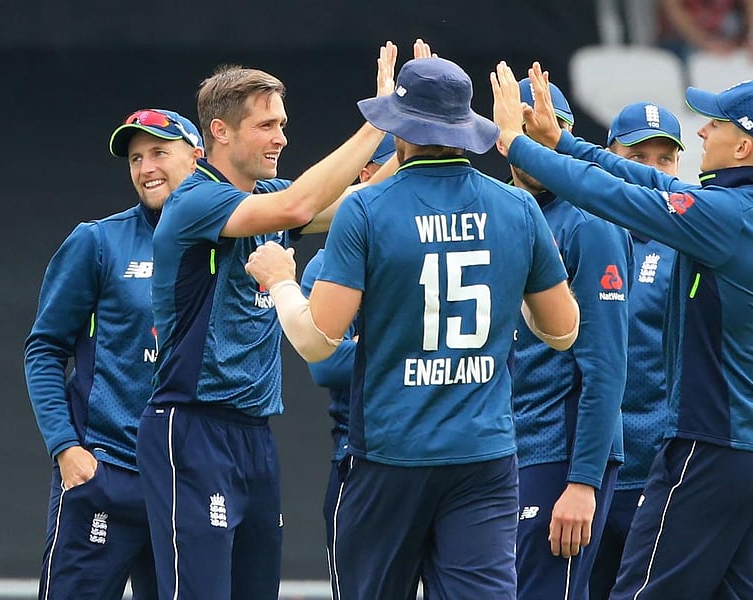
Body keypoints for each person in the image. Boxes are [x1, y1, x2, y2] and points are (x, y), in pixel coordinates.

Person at [245, 55, 581, 599]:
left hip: (390, 455)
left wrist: (281, 279)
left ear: (398, 126)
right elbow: (563, 332)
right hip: (486, 456)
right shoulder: (519, 207)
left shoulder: (368, 209)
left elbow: (316, 341)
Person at [492, 64, 753, 599]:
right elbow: (657, 184)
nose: (703, 131)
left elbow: (609, 195)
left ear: (743, 148)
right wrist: (563, 143)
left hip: (714, 450)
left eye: (717, 124)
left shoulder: (722, 217)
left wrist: (514, 144)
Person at [134, 43, 400, 600]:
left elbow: (364, 198)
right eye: (267, 125)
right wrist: (375, 124)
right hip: (192, 428)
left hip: (254, 433)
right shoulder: (195, 200)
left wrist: (418, 122)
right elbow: (301, 208)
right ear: (221, 132)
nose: (282, 136)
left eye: (282, 123)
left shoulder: (270, 193)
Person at [24, 109, 204, 599]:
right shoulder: (98, 241)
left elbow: (307, 207)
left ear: (198, 157)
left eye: (159, 153)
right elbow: (44, 348)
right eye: (135, 157)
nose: (146, 167)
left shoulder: (228, 232)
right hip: (105, 472)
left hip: (184, 480)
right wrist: (67, 449)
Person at [508, 79, 630, 600]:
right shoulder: (503, 211)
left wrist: (583, 481)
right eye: (521, 134)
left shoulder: (589, 224)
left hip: (558, 455)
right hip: (506, 450)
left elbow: (606, 366)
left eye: (545, 134)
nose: (532, 149)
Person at [298, 133, 408, 598]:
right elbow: (325, 364)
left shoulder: (442, 247)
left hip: (451, 456)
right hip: (358, 462)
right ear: (366, 177)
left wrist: (372, 344)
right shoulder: (325, 263)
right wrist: (418, 347)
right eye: (400, 167)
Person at [587, 102, 684, 600]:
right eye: (637, 156)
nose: (650, 171)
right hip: (579, 470)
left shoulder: (691, 245)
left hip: (657, 471)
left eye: (664, 159)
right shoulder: (580, 228)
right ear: (608, 157)